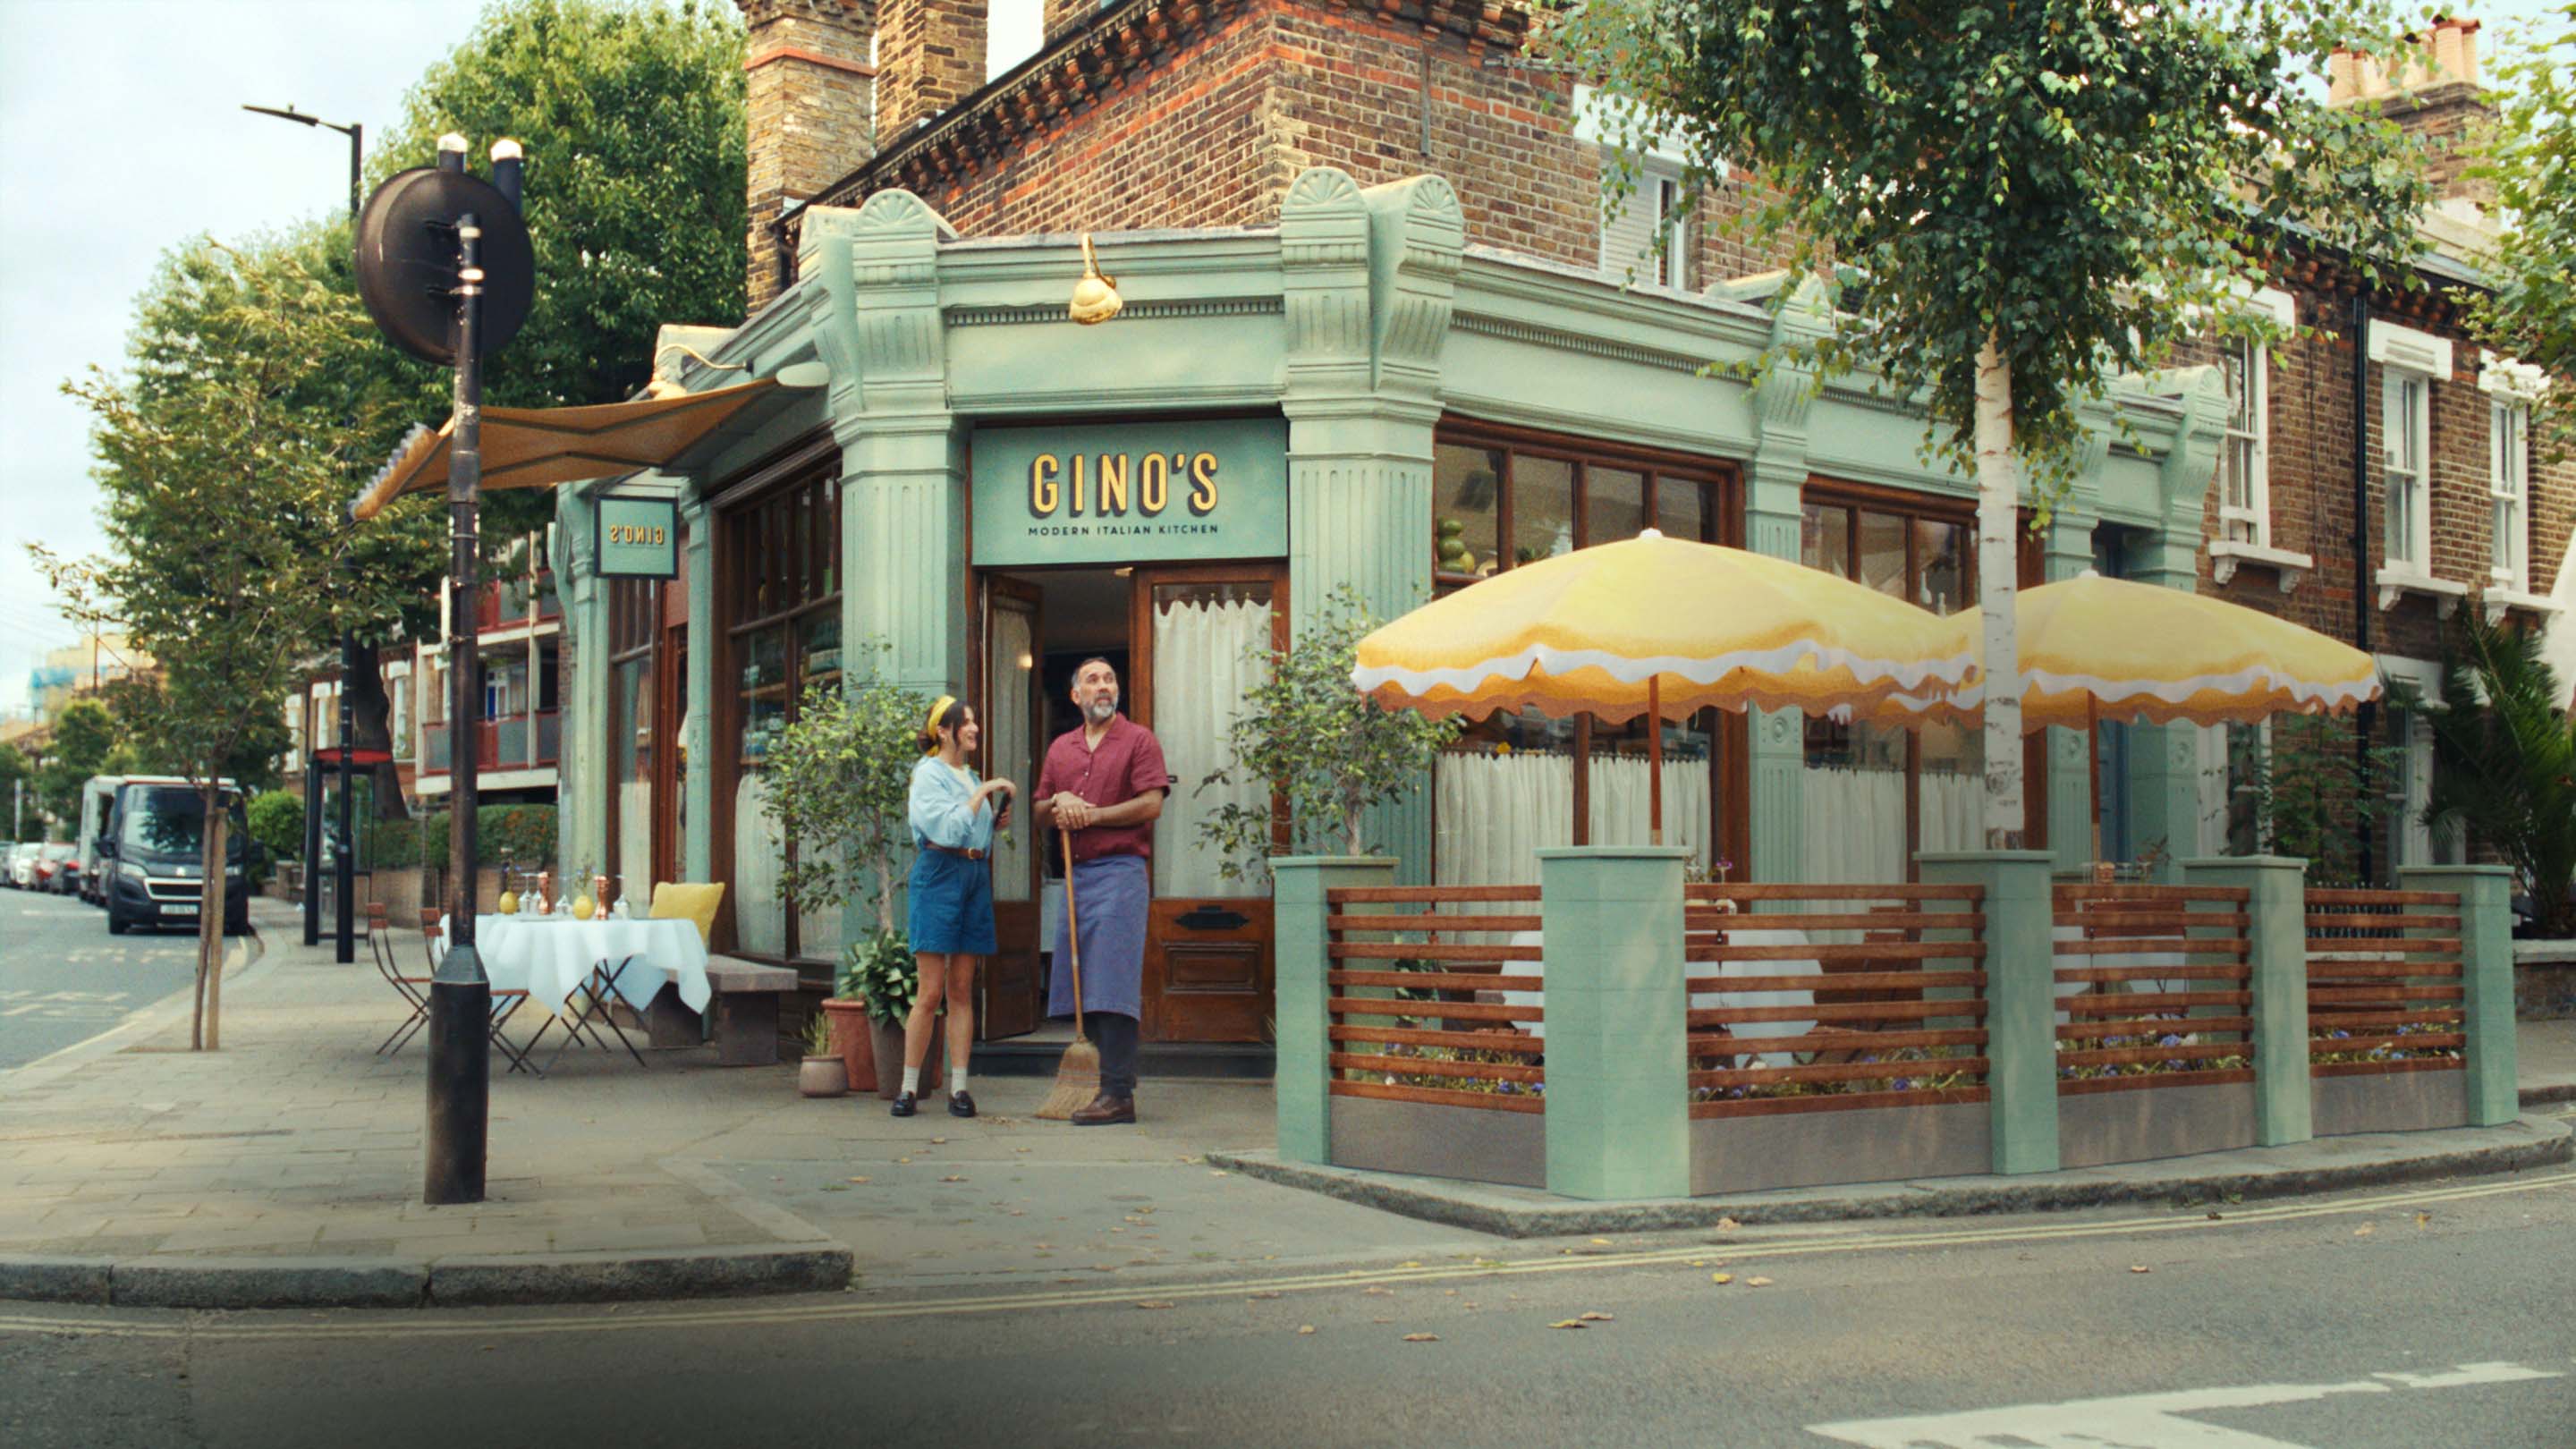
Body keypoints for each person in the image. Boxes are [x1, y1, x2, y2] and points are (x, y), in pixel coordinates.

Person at [1032, 657, 1170, 1125]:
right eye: (1092, 680)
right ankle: (1095, 1085)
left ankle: (1118, 1094)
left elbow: (1151, 804)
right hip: (1078, 873)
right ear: (1076, 695)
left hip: (1121, 870)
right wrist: (1059, 801)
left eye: (1110, 679)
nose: (1103, 686)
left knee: (1113, 980)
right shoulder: (1060, 750)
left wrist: (1091, 814)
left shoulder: (1139, 740)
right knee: (1080, 981)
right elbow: (1037, 811)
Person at [898, 696, 1013, 1120]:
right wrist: (983, 792)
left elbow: (971, 833)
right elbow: (946, 829)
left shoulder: (969, 775)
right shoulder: (928, 774)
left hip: (973, 877)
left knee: (962, 989)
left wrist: (993, 823)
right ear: (943, 731)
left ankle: (959, 1089)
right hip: (938, 876)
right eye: (966, 722)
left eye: (974, 721)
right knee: (930, 991)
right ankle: (909, 1089)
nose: (974, 728)